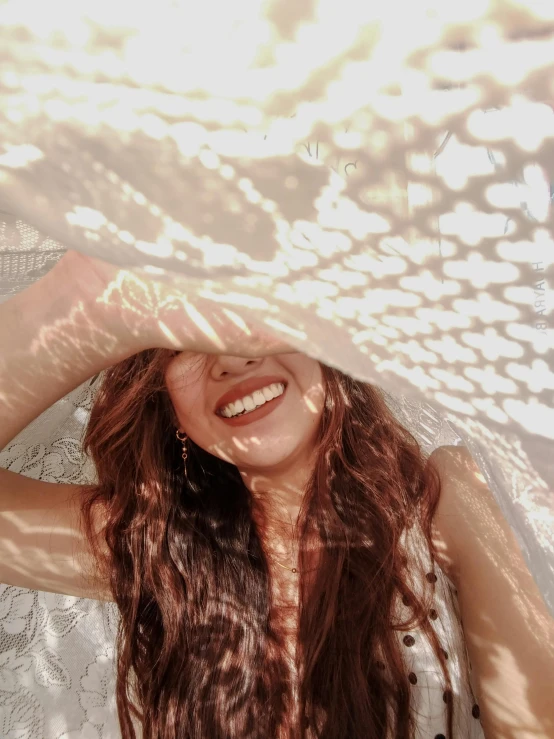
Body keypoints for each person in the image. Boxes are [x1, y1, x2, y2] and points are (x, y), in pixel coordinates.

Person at [0, 250, 552, 739]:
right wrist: (87, 303)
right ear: (169, 409)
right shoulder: (159, 547)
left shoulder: (440, 497)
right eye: (183, 341)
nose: (229, 355)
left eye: (250, 312)